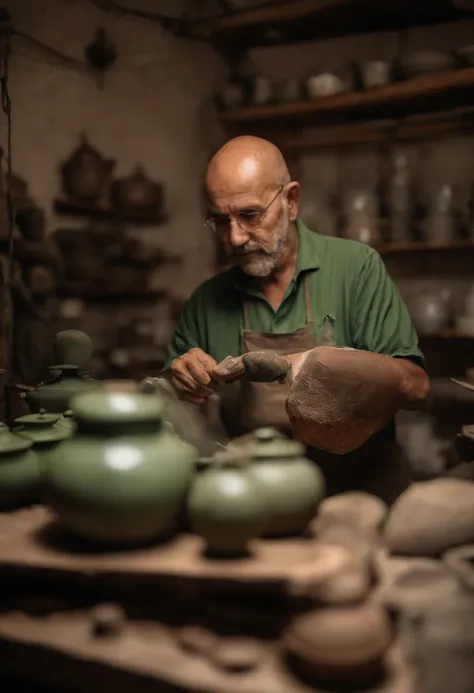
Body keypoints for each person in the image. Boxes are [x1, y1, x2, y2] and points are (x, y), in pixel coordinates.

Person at [164, 136, 430, 503]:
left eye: (250, 215)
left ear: (291, 201)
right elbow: (164, 409)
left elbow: (417, 388)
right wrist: (180, 382)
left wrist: (338, 368)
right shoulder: (207, 301)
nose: (235, 238)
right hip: (255, 496)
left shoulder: (356, 268)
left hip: (358, 489)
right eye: (220, 221)